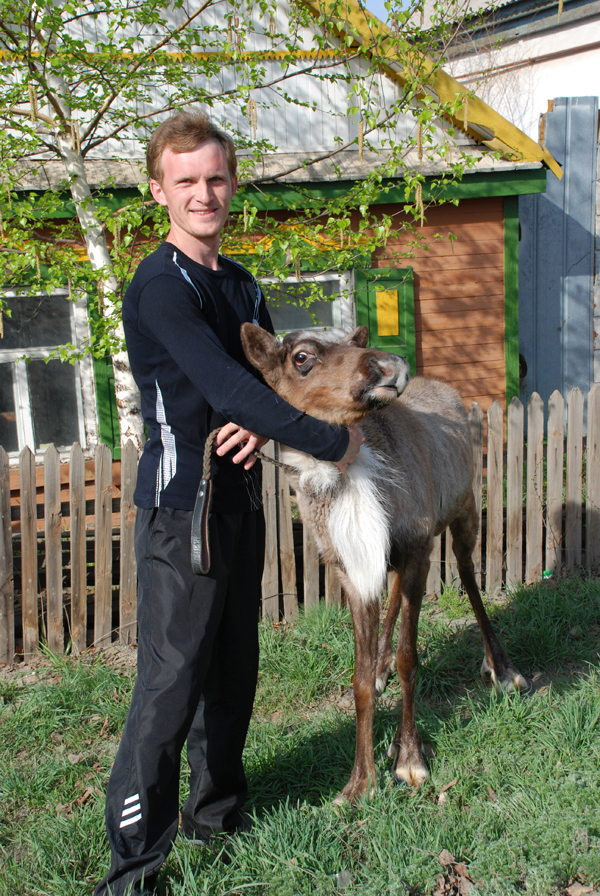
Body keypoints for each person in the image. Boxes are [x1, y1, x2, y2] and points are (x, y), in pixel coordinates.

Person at [94, 110, 363, 896]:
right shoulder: (158, 287)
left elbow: (272, 379)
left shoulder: (239, 282)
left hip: (240, 502)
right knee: (170, 684)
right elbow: (221, 385)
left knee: (234, 669)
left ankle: (217, 817)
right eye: (186, 182)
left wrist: (259, 419)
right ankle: (134, 866)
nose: (203, 194)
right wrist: (335, 442)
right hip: (181, 512)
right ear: (159, 192)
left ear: (232, 183)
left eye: (215, 178)